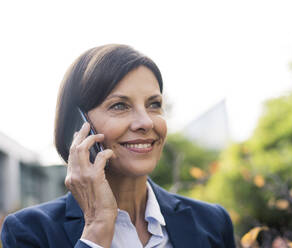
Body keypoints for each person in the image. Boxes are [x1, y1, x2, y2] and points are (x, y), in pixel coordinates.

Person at [1, 44, 236, 248]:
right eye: (119, 106)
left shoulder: (212, 222)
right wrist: (96, 227)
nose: (146, 122)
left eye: (153, 104)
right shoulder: (30, 231)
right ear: (78, 124)